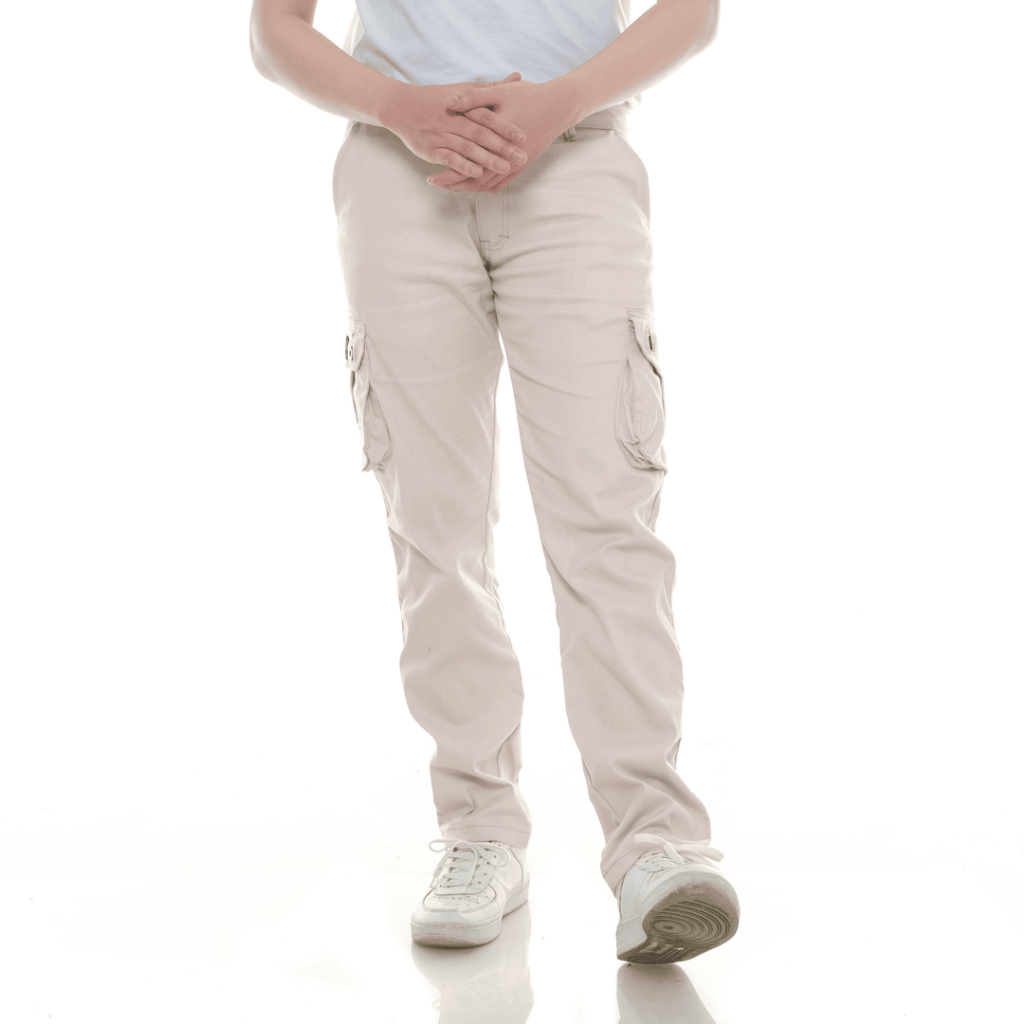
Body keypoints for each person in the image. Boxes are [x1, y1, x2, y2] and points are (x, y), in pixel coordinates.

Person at [249, 0, 739, 964]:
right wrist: (399, 107)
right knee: (435, 527)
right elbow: (276, 29)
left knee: (606, 518)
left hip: (578, 162)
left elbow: (694, 11)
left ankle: (656, 844)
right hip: (396, 175)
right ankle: (477, 830)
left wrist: (563, 101)